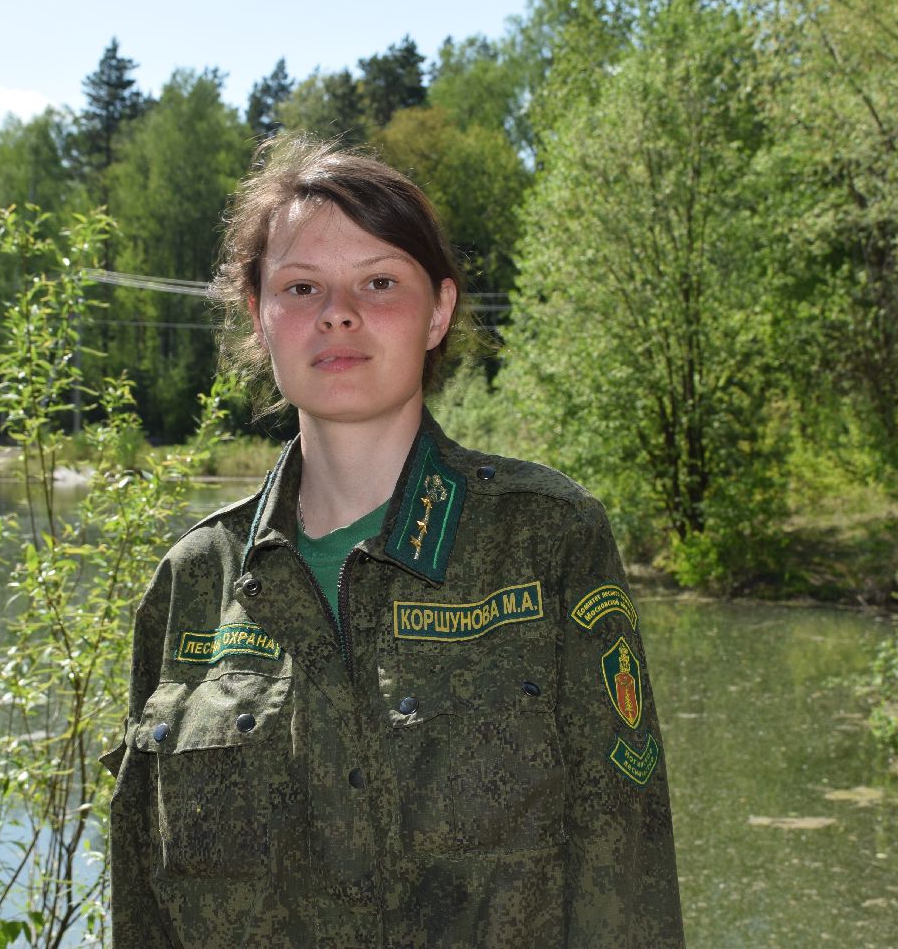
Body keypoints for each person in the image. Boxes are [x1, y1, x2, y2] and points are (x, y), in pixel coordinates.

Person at [102, 136, 685, 947]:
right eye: (301, 286)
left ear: (439, 310)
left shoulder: (548, 540)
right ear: (259, 315)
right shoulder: (194, 581)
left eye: (379, 282)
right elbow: (141, 908)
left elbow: (629, 878)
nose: (338, 312)